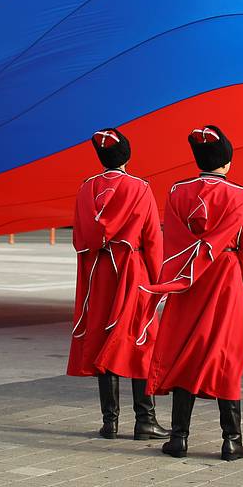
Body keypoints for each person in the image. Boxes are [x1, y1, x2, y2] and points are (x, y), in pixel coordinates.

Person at [147, 125, 243, 462]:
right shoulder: (240, 195)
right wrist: (239, 285)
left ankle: (179, 438)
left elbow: (172, 242)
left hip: (188, 281)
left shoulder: (177, 191)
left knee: (185, 353)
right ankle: (231, 441)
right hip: (224, 278)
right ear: (226, 163)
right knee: (227, 355)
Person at [67, 128, 167, 441]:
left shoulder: (86, 188)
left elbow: (79, 237)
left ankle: (109, 422)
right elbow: (152, 237)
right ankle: (144, 420)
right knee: (140, 341)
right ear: (127, 155)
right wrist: (157, 281)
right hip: (132, 271)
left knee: (101, 339)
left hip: (99, 274)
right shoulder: (140, 188)